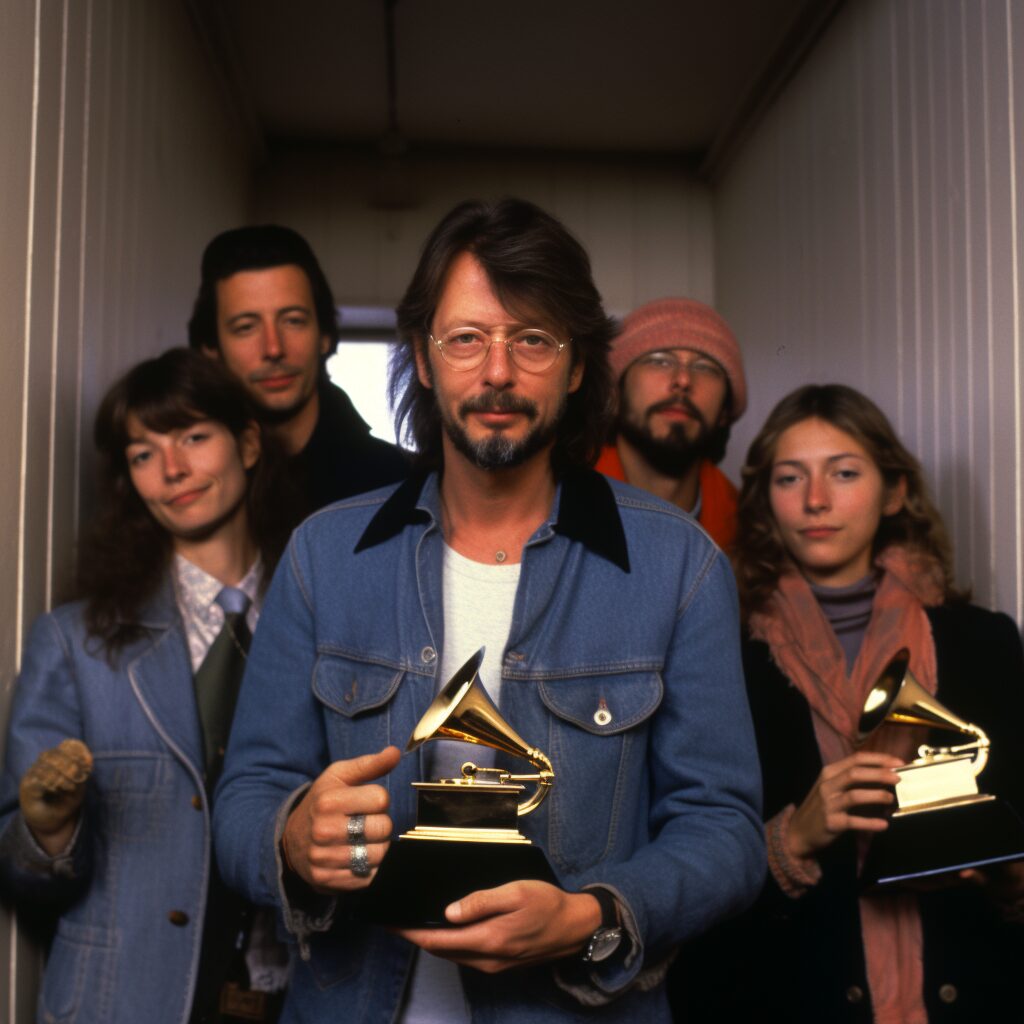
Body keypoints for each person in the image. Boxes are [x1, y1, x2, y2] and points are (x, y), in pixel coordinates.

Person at [213, 198, 765, 1023]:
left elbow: (724, 828)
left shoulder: (678, 565)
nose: (498, 372)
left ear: (579, 366)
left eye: (533, 339)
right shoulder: (323, 558)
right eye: (466, 338)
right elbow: (245, 799)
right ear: (425, 361)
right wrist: (291, 838)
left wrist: (593, 916)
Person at [673, 383, 1024, 1022]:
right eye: (789, 478)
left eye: (844, 473)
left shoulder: (986, 642)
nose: (815, 500)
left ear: (893, 492)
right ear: (764, 501)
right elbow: (685, 872)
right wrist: (791, 839)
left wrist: (1005, 873)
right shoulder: (715, 652)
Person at [0, 349, 295, 1024]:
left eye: (194, 437)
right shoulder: (74, 642)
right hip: (123, 1002)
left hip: (297, 994)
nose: (172, 471)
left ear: (248, 443)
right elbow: (19, 871)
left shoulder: (323, 618)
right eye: (143, 453)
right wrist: (48, 831)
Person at [188, 224, 408, 514]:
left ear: (324, 334)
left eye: (293, 320)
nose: (274, 348)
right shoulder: (187, 483)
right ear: (211, 348)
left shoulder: (398, 480)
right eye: (245, 328)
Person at [596, 298, 746, 551]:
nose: (684, 380)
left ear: (724, 410)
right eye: (659, 360)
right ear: (615, 395)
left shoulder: (745, 528)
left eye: (706, 367)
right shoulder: (551, 500)